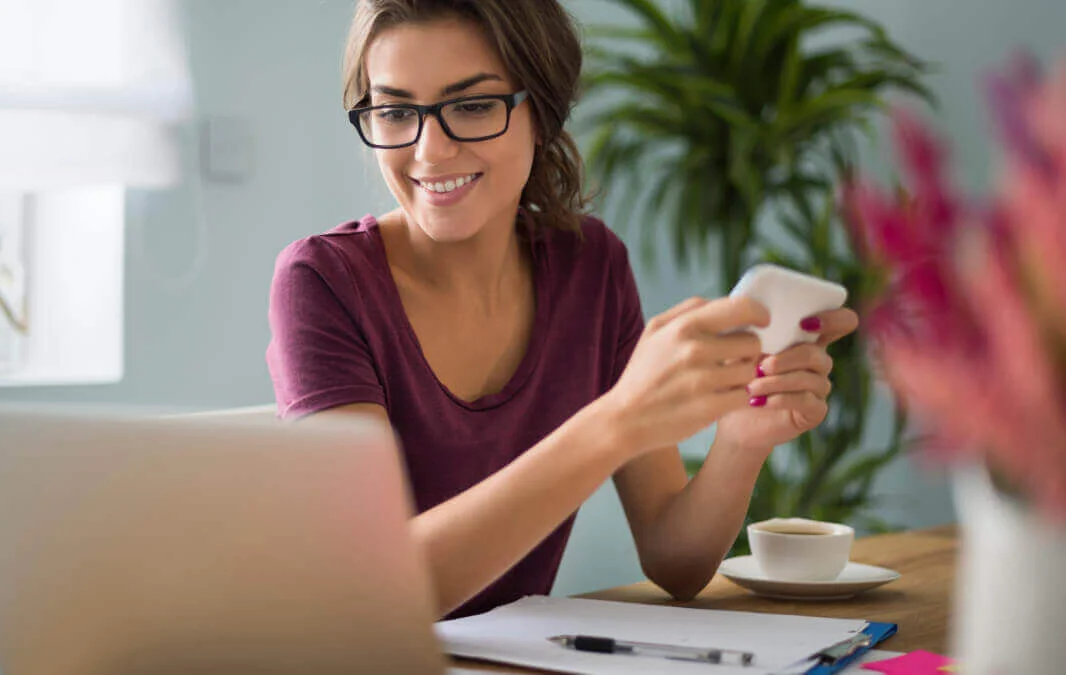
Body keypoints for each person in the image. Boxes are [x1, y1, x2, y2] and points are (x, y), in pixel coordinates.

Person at [267, 0, 858, 620]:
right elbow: (373, 588)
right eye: (394, 111)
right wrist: (618, 422)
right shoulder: (323, 282)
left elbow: (675, 562)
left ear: (541, 113)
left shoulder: (591, 267)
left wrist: (741, 440)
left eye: (472, 105)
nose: (430, 150)